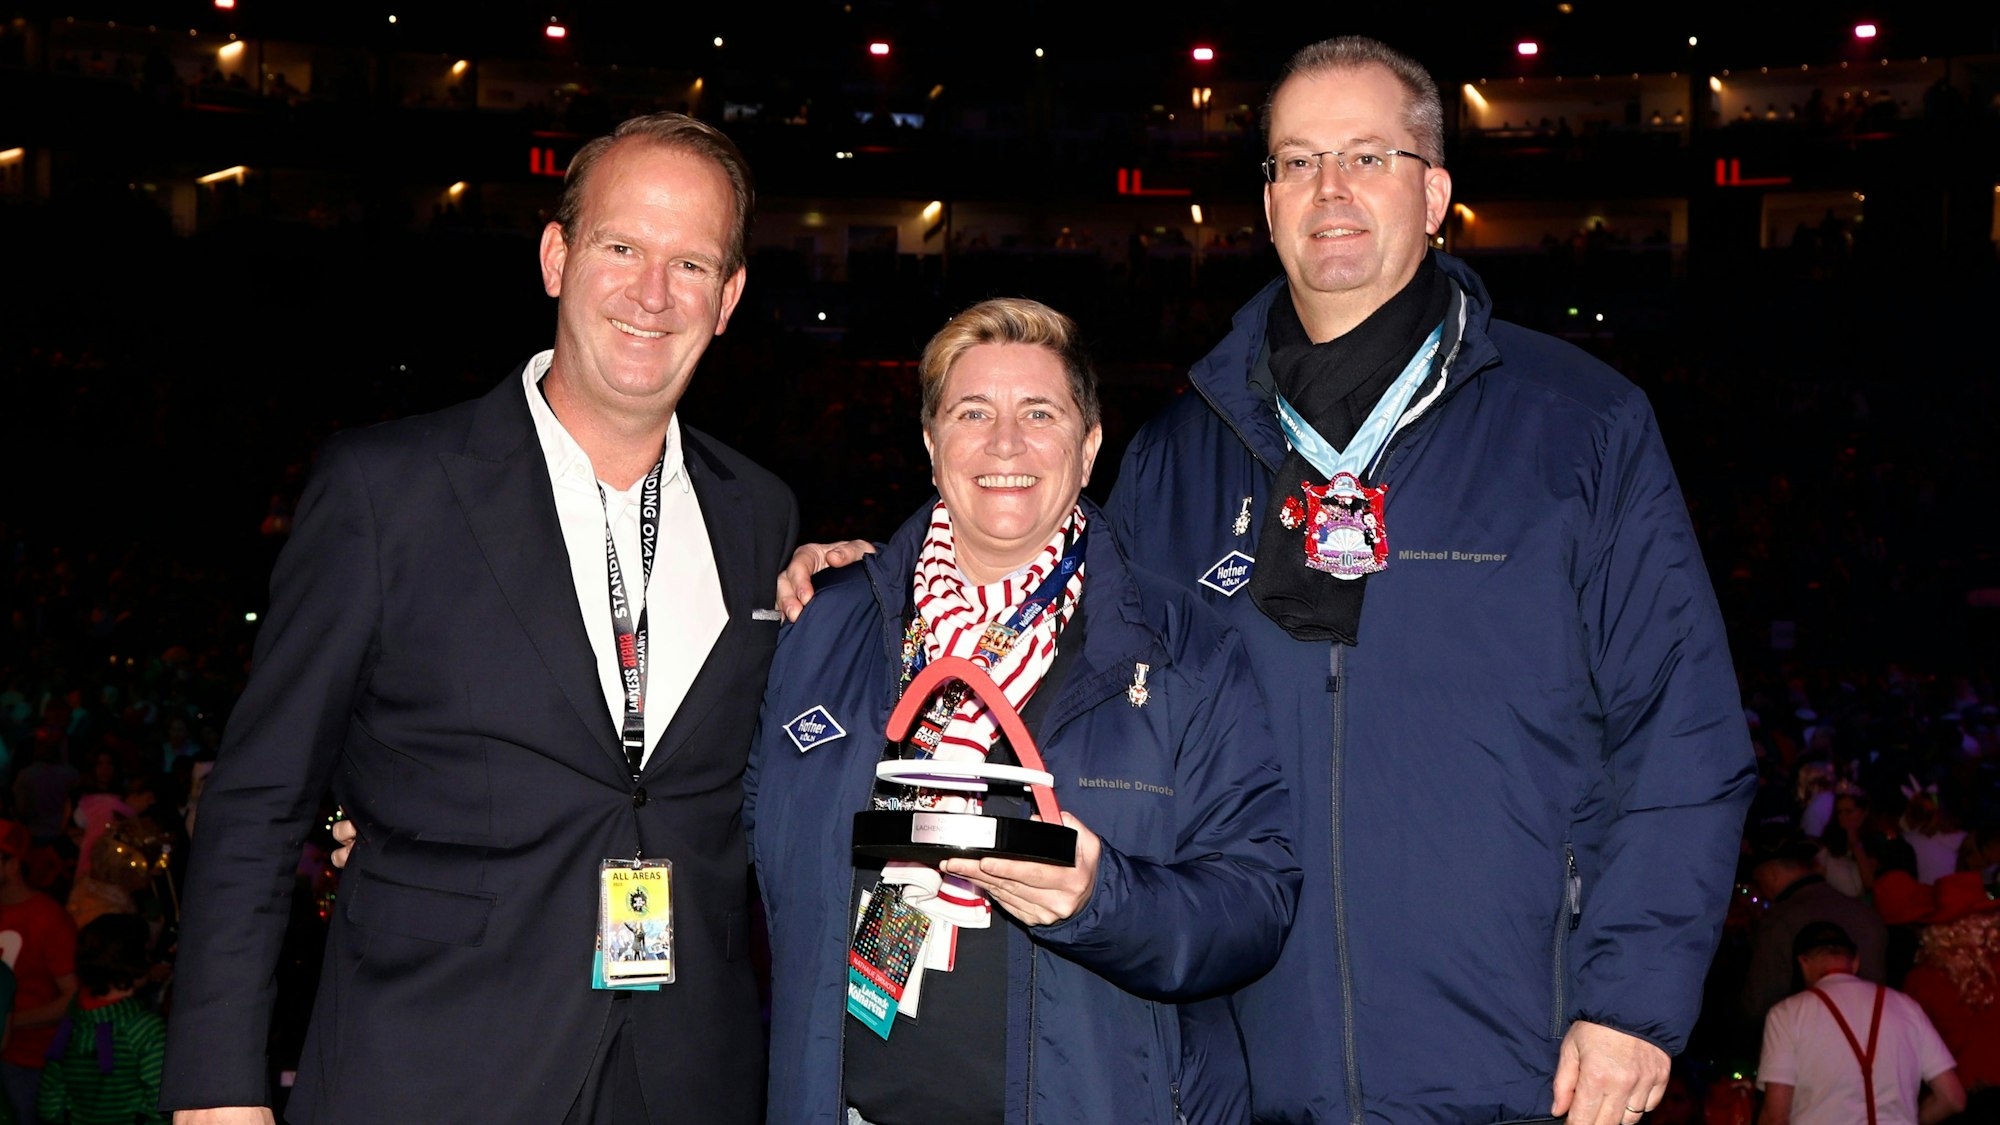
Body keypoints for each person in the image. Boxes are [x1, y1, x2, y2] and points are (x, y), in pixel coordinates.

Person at [782, 36, 1755, 1124]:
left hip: (1520, 1062)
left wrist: (1632, 1003)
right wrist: (868, 580)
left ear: (1434, 193)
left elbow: (1684, 737)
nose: (1327, 191)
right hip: (1238, 1075)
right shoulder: (1180, 455)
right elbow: (1032, 607)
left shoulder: (1577, 427)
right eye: (1295, 161)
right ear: (1265, 199)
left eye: (1365, 158)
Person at [158, 112, 797, 1125]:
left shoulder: (762, 515)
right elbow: (258, 799)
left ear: (727, 300)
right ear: (555, 256)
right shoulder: (386, 490)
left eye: (689, 264)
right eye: (620, 247)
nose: (650, 294)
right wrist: (216, 1092)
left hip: (684, 1073)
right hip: (429, 1066)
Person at [747, 297, 1298, 1125]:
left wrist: (1100, 897)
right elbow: (758, 849)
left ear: (1089, 446)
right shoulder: (828, 626)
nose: (1005, 442)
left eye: (1040, 412)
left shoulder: (1186, 651)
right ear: (933, 447)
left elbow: (1256, 900)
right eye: (973, 412)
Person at [1756, 921, 1964, 1124]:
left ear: (1803, 963)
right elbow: (1953, 1098)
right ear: (1855, 962)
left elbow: (1776, 1116)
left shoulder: (1786, 1014)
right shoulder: (1906, 1007)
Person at [1742, 824, 1890, 1033]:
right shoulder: (1864, 913)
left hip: (1807, 1047)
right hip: (1872, 1040)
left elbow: (1759, 1006)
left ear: (1771, 874)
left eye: (1758, 882)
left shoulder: (1779, 922)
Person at [37, 913, 169, 1125]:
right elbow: (160, 1100)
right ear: (137, 959)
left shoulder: (71, 1023)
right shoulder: (146, 1030)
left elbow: (50, 1095)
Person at [0, 818, 78, 1125]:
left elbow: (73, 997)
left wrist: (9, 1023)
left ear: (13, 864)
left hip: (31, 1062)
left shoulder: (48, 918)